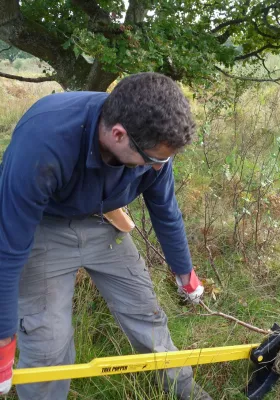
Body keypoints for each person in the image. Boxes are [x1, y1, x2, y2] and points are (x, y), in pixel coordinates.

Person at [0, 72, 211, 399]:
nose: (159, 167)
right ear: (118, 134)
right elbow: (9, 248)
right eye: (155, 159)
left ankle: (182, 390)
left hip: (104, 221)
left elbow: (165, 210)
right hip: (42, 228)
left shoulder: (151, 143)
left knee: (146, 313)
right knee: (48, 343)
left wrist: (185, 273)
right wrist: (3, 342)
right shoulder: (42, 142)